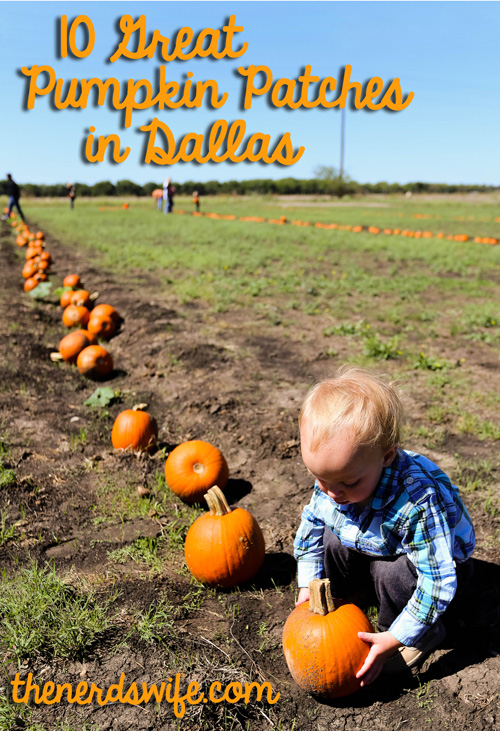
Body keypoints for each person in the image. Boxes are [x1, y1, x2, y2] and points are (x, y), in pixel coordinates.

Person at [294, 365, 475, 686]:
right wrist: (308, 584)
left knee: (388, 573)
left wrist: (395, 636)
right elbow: (311, 529)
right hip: (378, 539)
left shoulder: (416, 500)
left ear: (387, 456)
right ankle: (348, 599)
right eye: (320, 479)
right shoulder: (335, 482)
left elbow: (437, 581)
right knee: (332, 540)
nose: (333, 493)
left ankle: (414, 632)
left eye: (349, 482)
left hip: (436, 566)